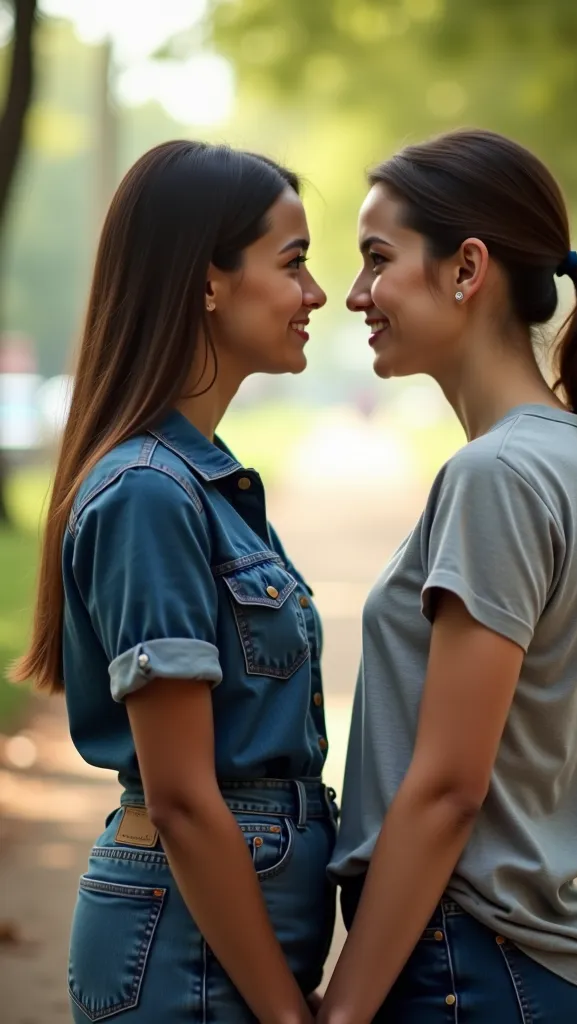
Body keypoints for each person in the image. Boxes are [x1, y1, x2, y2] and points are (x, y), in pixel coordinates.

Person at [321, 129, 577, 1024]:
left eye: (376, 259)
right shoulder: (552, 454)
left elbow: (448, 787)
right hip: (498, 967)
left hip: (466, 966)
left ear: (466, 269)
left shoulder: (498, 475)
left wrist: (345, 1007)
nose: (355, 295)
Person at [13, 140, 336, 1024]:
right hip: (183, 960)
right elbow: (185, 798)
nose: (315, 295)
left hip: (210, 950)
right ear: (208, 281)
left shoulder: (198, 482)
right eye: (295, 262)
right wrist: (284, 1012)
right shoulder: (152, 494)